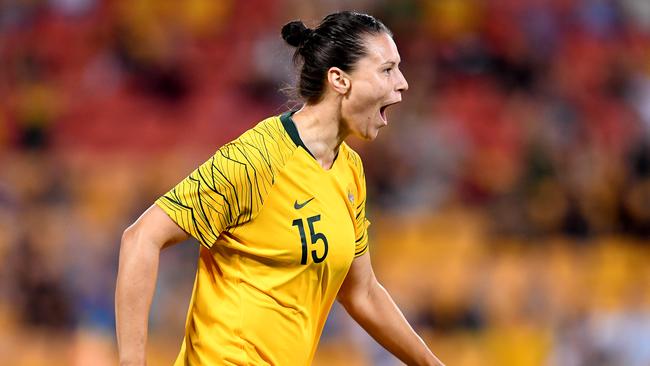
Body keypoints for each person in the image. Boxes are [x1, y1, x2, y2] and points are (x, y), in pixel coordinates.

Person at [115, 11, 445, 366]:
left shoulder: (349, 170)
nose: (403, 82)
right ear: (339, 80)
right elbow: (140, 238)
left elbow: (361, 292)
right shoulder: (258, 158)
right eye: (387, 69)